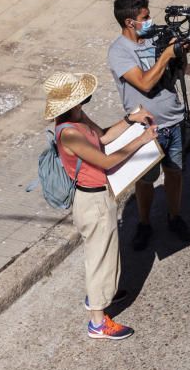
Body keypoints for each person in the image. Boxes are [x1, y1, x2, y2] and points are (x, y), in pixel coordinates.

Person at [43, 72, 157, 339]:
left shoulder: (77, 118)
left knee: (107, 252)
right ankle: (97, 320)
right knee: (98, 258)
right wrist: (140, 140)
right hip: (91, 200)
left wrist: (131, 120)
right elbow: (105, 161)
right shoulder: (69, 133)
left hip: (100, 196)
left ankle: (106, 293)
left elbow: (104, 137)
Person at [108, 0, 190, 250]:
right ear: (129, 22)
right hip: (146, 129)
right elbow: (145, 83)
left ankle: (174, 216)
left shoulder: (156, 38)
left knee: (175, 172)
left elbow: (176, 72)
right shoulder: (119, 52)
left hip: (174, 120)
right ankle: (145, 223)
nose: (150, 21)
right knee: (145, 181)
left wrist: (180, 55)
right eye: (144, 18)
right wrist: (167, 55)